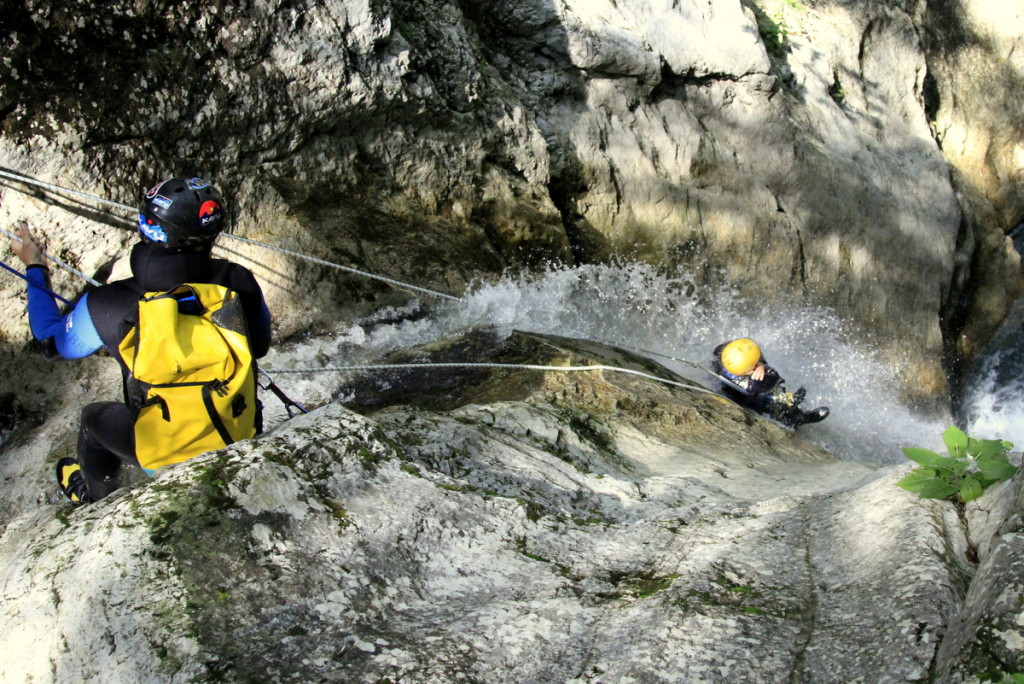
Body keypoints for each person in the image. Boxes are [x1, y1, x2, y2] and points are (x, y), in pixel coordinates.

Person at [10, 177, 272, 503]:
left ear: (147, 227)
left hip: (163, 453)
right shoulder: (238, 280)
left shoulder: (107, 304)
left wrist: (35, 266)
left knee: (93, 419)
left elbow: (51, 344)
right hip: (236, 431)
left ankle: (93, 500)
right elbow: (259, 347)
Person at [710, 338, 829, 429]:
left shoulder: (725, 351)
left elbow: (750, 345)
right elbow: (773, 378)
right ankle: (799, 418)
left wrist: (760, 363)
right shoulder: (748, 383)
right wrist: (762, 369)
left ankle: (789, 404)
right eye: (754, 365)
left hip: (745, 386)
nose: (756, 365)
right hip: (744, 399)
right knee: (771, 405)